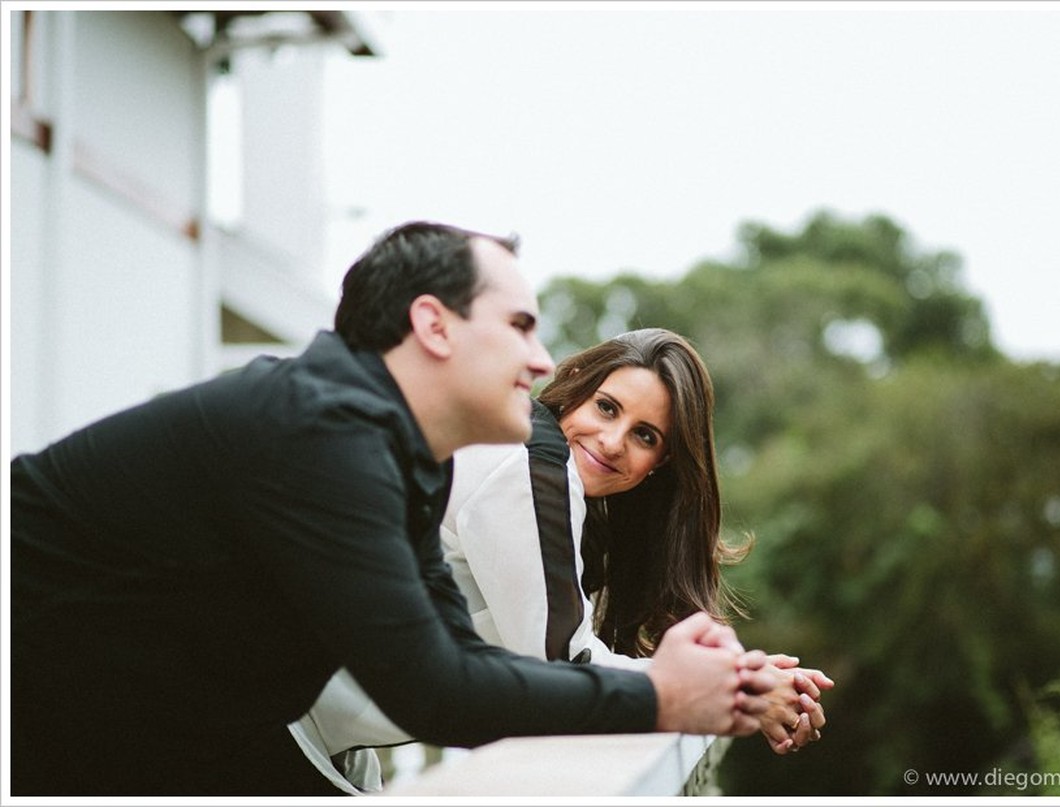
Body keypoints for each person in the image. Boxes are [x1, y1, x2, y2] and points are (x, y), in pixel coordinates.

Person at [9, 222, 778, 796]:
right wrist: (661, 693)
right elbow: (435, 690)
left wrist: (681, 683)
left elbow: (457, 658)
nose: (544, 361)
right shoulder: (323, 433)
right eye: (520, 326)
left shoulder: (403, 459)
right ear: (433, 325)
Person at [291, 329, 834, 793]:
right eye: (606, 407)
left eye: (645, 435)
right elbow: (564, 668)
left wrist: (737, 679)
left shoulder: (565, 497)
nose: (613, 441)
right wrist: (739, 688)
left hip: (321, 737)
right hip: (283, 721)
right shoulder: (528, 466)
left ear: (661, 463)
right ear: (574, 387)